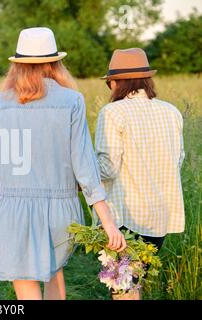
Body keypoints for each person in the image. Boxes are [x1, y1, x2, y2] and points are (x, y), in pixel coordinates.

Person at [0, 27, 126, 300]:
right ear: (54, 62)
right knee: (53, 271)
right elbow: (83, 163)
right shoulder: (72, 100)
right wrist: (107, 220)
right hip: (62, 210)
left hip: (15, 205)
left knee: (26, 280)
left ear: (17, 65)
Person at [95, 48, 185, 299]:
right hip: (160, 218)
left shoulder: (112, 113)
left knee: (122, 287)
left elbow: (108, 167)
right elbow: (178, 159)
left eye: (109, 83)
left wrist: (81, 176)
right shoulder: (172, 112)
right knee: (134, 280)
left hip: (124, 218)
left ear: (116, 83)